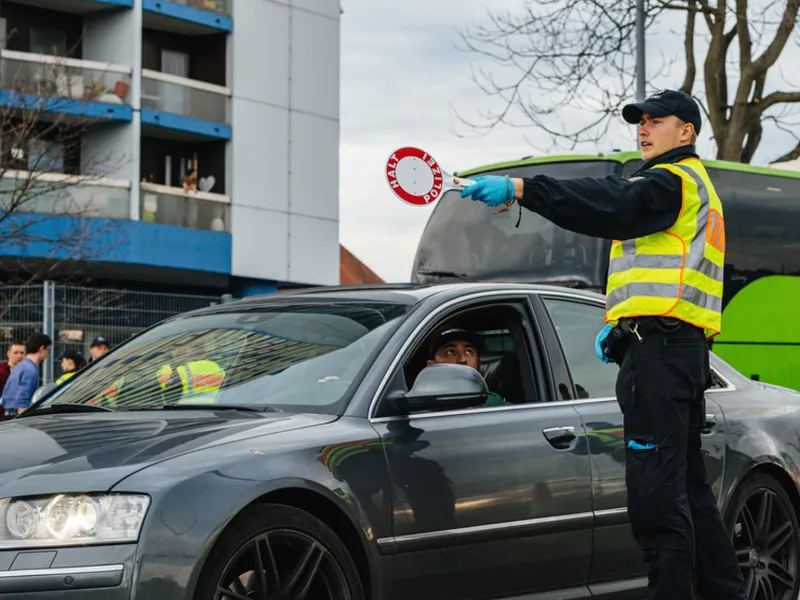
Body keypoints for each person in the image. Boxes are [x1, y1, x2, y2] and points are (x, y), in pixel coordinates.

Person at [460, 89, 744, 600]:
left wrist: (524, 188)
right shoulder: (691, 186)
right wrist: (623, 327)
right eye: (641, 121)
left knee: (658, 503)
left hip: (661, 358)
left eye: (657, 121)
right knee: (689, 495)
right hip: (673, 351)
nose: (644, 128)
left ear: (687, 132)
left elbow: (607, 203)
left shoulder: (669, 183)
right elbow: (666, 279)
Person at [426, 326, 505, 406]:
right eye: (450, 352)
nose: (462, 359)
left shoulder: (491, 403)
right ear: (432, 366)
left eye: (468, 352)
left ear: (478, 364)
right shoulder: (422, 406)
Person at [1, 332, 52, 419]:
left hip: (7, 414)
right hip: (17, 418)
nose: (47, 354)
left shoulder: (20, 366)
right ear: (41, 348)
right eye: (48, 350)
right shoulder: (30, 370)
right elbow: (23, 399)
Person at [0, 340, 26, 420]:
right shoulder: (2, 372)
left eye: (22, 353)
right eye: (16, 353)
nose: (19, 356)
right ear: (8, 353)